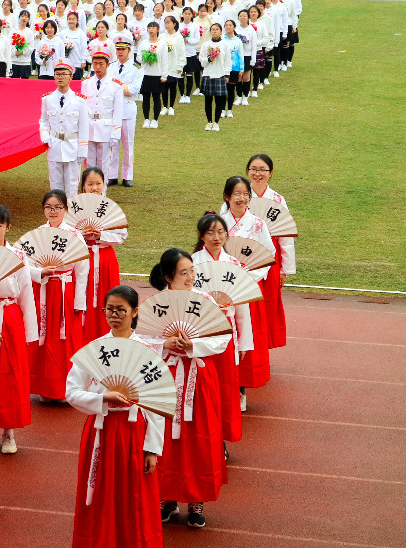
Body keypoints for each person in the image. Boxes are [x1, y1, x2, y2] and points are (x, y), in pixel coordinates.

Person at [67, 285, 164, 547]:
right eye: (109, 309)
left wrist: (152, 449)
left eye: (121, 310)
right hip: (100, 430)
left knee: (133, 495)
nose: (115, 315)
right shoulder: (95, 348)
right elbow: (71, 391)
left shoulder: (147, 350)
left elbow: (158, 402)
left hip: (134, 431)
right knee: (99, 492)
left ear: (134, 312)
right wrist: (100, 399)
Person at [143, 248, 230, 528]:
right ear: (169, 276)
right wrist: (163, 344)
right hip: (165, 378)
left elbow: (222, 338)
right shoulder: (156, 304)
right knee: (166, 438)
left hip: (197, 378)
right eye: (184, 272)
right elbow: (141, 339)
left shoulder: (204, 300)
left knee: (198, 439)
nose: (191, 277)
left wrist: (194, 345)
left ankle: (196, 500)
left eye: (192, 271)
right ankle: (167, 497)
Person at [0, 206, 38, 454]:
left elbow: (26, 293)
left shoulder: (18, 256)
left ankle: (9, 431)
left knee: (9, 373)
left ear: (8, 228)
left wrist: (30, 332)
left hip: (9, 316)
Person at [192, 213, 253, 450]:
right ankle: (202, 438)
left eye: (220, 232)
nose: (217, 237)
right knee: (203, 392)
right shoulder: (192, 264)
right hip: (201, 337)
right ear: (201, 236)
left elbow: (243, 309)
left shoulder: (235, 265)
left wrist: (245, 343)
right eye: (210, 233)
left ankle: (220, 442)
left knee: (226, 391)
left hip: (227, 338)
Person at [219, 175, 274, 411]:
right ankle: (222, 387)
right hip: (221, 291)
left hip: (248, 290)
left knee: (245, 338)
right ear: (227, 197)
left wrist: (246, 278)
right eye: (236, 194)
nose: (241, 199)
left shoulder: (258, 224)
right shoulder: (218, 223)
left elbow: (266, 257)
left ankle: (241, 389)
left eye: (245, 194)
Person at [28, 190, 89, 401]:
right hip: (43, 290)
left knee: (64, 339)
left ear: (65, 209)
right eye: (48, 207)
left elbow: (82, 270)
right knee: (43, 338)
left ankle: (65, 388)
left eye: (57, 207)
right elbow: (26, 264)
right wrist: (39, 273)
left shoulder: (74, 235)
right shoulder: (37, 233)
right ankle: (44, 387)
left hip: (65, 293)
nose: (53, 211)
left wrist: (80, 301)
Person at [247, 154, 294, 349]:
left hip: (271, 261)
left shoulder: (277, 199)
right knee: (246, 305)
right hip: (244, 259)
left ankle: (262, 350)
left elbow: (286, 236)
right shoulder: (239, 195)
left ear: (270, 173)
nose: (258, 174)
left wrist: (284, 269)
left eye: (262, 170)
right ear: (248, 171)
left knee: (268, 304)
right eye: (254, 169)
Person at [78, 168, 127, 344]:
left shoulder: (110, 208)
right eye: (90, 184)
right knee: (83, 296)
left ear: (104, 185)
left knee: (108, 297)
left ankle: (109, 336)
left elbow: (122, 235)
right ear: (83, 186)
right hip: (83, 258)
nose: (94, 187)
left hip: (106, 259)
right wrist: (80, 235)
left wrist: (101, 236)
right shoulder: (74, 207)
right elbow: (65, 233)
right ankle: (83, 337)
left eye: (98, 183)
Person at [39, 62, 89, 198]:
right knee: (55, 185)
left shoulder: (80, 101)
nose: (60, 77)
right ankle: (58, 213)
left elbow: (84, 127)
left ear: (71, 77)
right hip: (54, 145)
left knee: (72, 184)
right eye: (57, 74)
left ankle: (71, 214)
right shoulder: (47, 99)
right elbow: (43, 120)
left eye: (64, 74)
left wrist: (82, 150)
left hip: (72, 146)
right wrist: (45, 135)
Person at [105, 37, 141, 187]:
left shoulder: (136, 68)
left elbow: (134, 89)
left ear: (129, 50)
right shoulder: (111, 66)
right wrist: (121, 87)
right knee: (112, 143)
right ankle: (112, 175)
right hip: (112, 109)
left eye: (123, 49)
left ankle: (127, 175)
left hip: (127, 108)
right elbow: (107, 86)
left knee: (127, 144)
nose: (120, 52)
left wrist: (117, 87)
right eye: (118, 49)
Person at [80, 49, 122, 175]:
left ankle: (101, 192)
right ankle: (88, 192)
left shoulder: (116, 86)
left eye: (101, 64)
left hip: (105, 128)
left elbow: (118, 112)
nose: (97, 67)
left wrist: (116, 133)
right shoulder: (86, 83)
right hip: (89, 127)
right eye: (95, 63)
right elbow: (82, 109)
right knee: (88, 164)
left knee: (103, 164)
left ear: (108, 65)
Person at [199, 23, 230, 131]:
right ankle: (209, 122)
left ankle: (216, 122)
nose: (215, 31)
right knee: (208, 100)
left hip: (220, 74)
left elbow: (227, 61)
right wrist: (208, 59)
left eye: (217, 29)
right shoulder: (205, 44)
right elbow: (202, 61)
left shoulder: (225, 45)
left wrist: (227, 74)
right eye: (213, 29)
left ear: (221, 31)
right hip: (208, 74)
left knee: (219, 100)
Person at [138, 22, 167, 128]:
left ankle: (155, 119)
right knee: (145, 97)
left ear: (158, 29)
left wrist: (164, 75)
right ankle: (146, 119)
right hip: (145, 73)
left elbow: (165, 60)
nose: (151, 29)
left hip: (157, 74)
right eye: (149, 27)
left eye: (153, 27)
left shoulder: (162, 44)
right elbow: (138, 57)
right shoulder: (143, 43)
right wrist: (146, 57)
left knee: (156, 97)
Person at [160, 16, 185, 116]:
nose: (167, 25)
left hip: (174, 63)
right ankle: (165, 106)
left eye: (168, 22)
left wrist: (180, 65)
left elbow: (182, 52)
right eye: (165, 23)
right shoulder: (162, 36)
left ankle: (171, 107)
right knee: (164, 86)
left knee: (173, 86)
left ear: (174, 24)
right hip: (164, 65)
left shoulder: (179, 37)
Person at [221, 19, 243, 119]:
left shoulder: (238, 41)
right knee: (222, 90)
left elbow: (240, 55)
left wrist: (241, 69)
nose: (228, 27)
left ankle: (229, 109)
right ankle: (222, 109)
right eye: (226, 25)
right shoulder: (222, 40)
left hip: (234, 67)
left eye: (230, 25)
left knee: (231, 89)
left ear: (234, 27)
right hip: (223, 68)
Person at [235, 9, 257, 106]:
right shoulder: (236, 29)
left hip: (247, 56)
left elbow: (254, 46)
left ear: (248, 17)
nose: (242, 18)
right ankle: (239, 96)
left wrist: (253, 59)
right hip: (238, 57)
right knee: (239, 77)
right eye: (240, 16)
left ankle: (245, 96)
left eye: (244, 16)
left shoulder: (251, 30)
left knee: (246, 77)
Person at [178, 8, 201, 102]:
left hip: (191, 53)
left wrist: (188, 41)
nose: (187, 15)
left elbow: (197, 40)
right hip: (180, 53)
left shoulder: (195, 26)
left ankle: (187, 95)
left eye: (189, 14)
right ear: (182, 14)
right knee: (181, 74)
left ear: (192, 15)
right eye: (185, 13)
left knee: (189, 74)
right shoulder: (178, 26)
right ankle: (182, 94)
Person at [59, 11, 88, 79]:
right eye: (69, 19)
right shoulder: (63, 33)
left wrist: (83, 61)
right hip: (65, 63)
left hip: (77, 63)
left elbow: (84, 48)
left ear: (77, 21)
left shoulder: (81, 33)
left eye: (73, 19)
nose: (71, 21)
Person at [10, 10, 36, 78]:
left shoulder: (30, 32)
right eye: (22, 16)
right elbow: (9, 44)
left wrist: (22, 52)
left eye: (26, 16)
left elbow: (31, 47)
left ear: (28, 19)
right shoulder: (13, 30)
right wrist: (14, 53)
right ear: (19, 18)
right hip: (14, 62)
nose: (24, 18)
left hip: (25, 62)